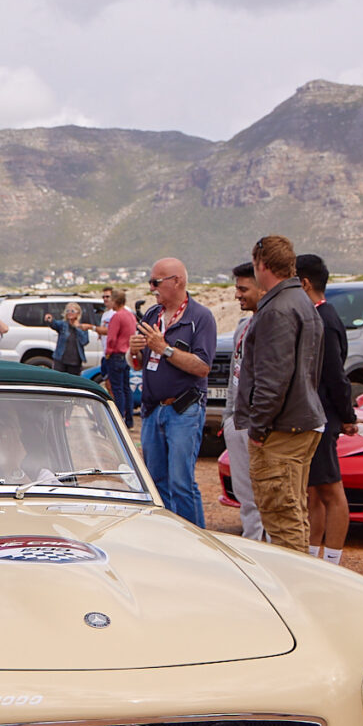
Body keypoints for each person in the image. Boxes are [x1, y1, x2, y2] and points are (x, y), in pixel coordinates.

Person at [238, 234, 326, 555]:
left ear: (261, 265)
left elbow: (273, 379)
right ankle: (299, 578)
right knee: (293, 512)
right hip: (300, 421)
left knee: (281, 517)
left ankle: (293, 584)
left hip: (281, 429)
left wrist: (258, 428)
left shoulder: (277, 309)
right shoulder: (301, 301)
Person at [132, 259, 218, 526]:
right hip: (153, 409)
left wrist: (165, 349)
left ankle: (195, 539)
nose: (151, 288)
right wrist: (134, 351)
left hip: (183, 409)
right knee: (156, 482)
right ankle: (166, 536)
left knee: (181, 482)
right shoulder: (151, 315)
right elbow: (139, 363)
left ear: (177, 281)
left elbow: (202, 367)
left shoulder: (200, 318)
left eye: (156, 282)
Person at [298, 253, 358, 566]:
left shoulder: (326, 320)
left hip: (323, 417)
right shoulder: (315, 317)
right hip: (313, 416)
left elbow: (336, 376)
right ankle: (312, 557)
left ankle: (332, 560)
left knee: (331, 490)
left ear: (305, 283)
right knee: (313, 490)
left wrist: (347, 416)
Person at [221, 262, 269, 544]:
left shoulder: (272, 325)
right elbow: (234, 375)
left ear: (262, 288)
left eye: (243, 289)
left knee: (266, 495)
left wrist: (260, 422)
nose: (237, 295)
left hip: (258, 424)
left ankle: (270, 551)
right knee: (245, 495)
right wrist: (229, 417)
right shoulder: (243, 326)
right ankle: (252, 543)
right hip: (237, 420)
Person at [97, 288, 136, 424]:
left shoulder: (117, 316)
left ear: (115, 301)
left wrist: (108, 353)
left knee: (117, 388)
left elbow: (111, 338)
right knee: (126, 387)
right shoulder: (130, 315)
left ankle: (119, 419)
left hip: (116, 355)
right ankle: (129, 419)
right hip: (126, 354)